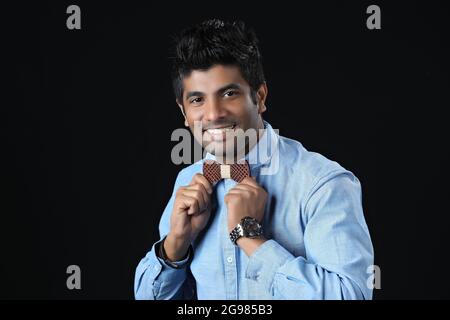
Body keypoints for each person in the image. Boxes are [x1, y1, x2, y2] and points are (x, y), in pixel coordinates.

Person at [134, 19, 374, 300]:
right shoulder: (187, 181)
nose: (213, 114)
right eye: (197, 100)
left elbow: (349, 295)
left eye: (229, 93)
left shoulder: (322, 182)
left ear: (259, 97)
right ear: (184, 113)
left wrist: (249, 237)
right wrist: (175, 245)